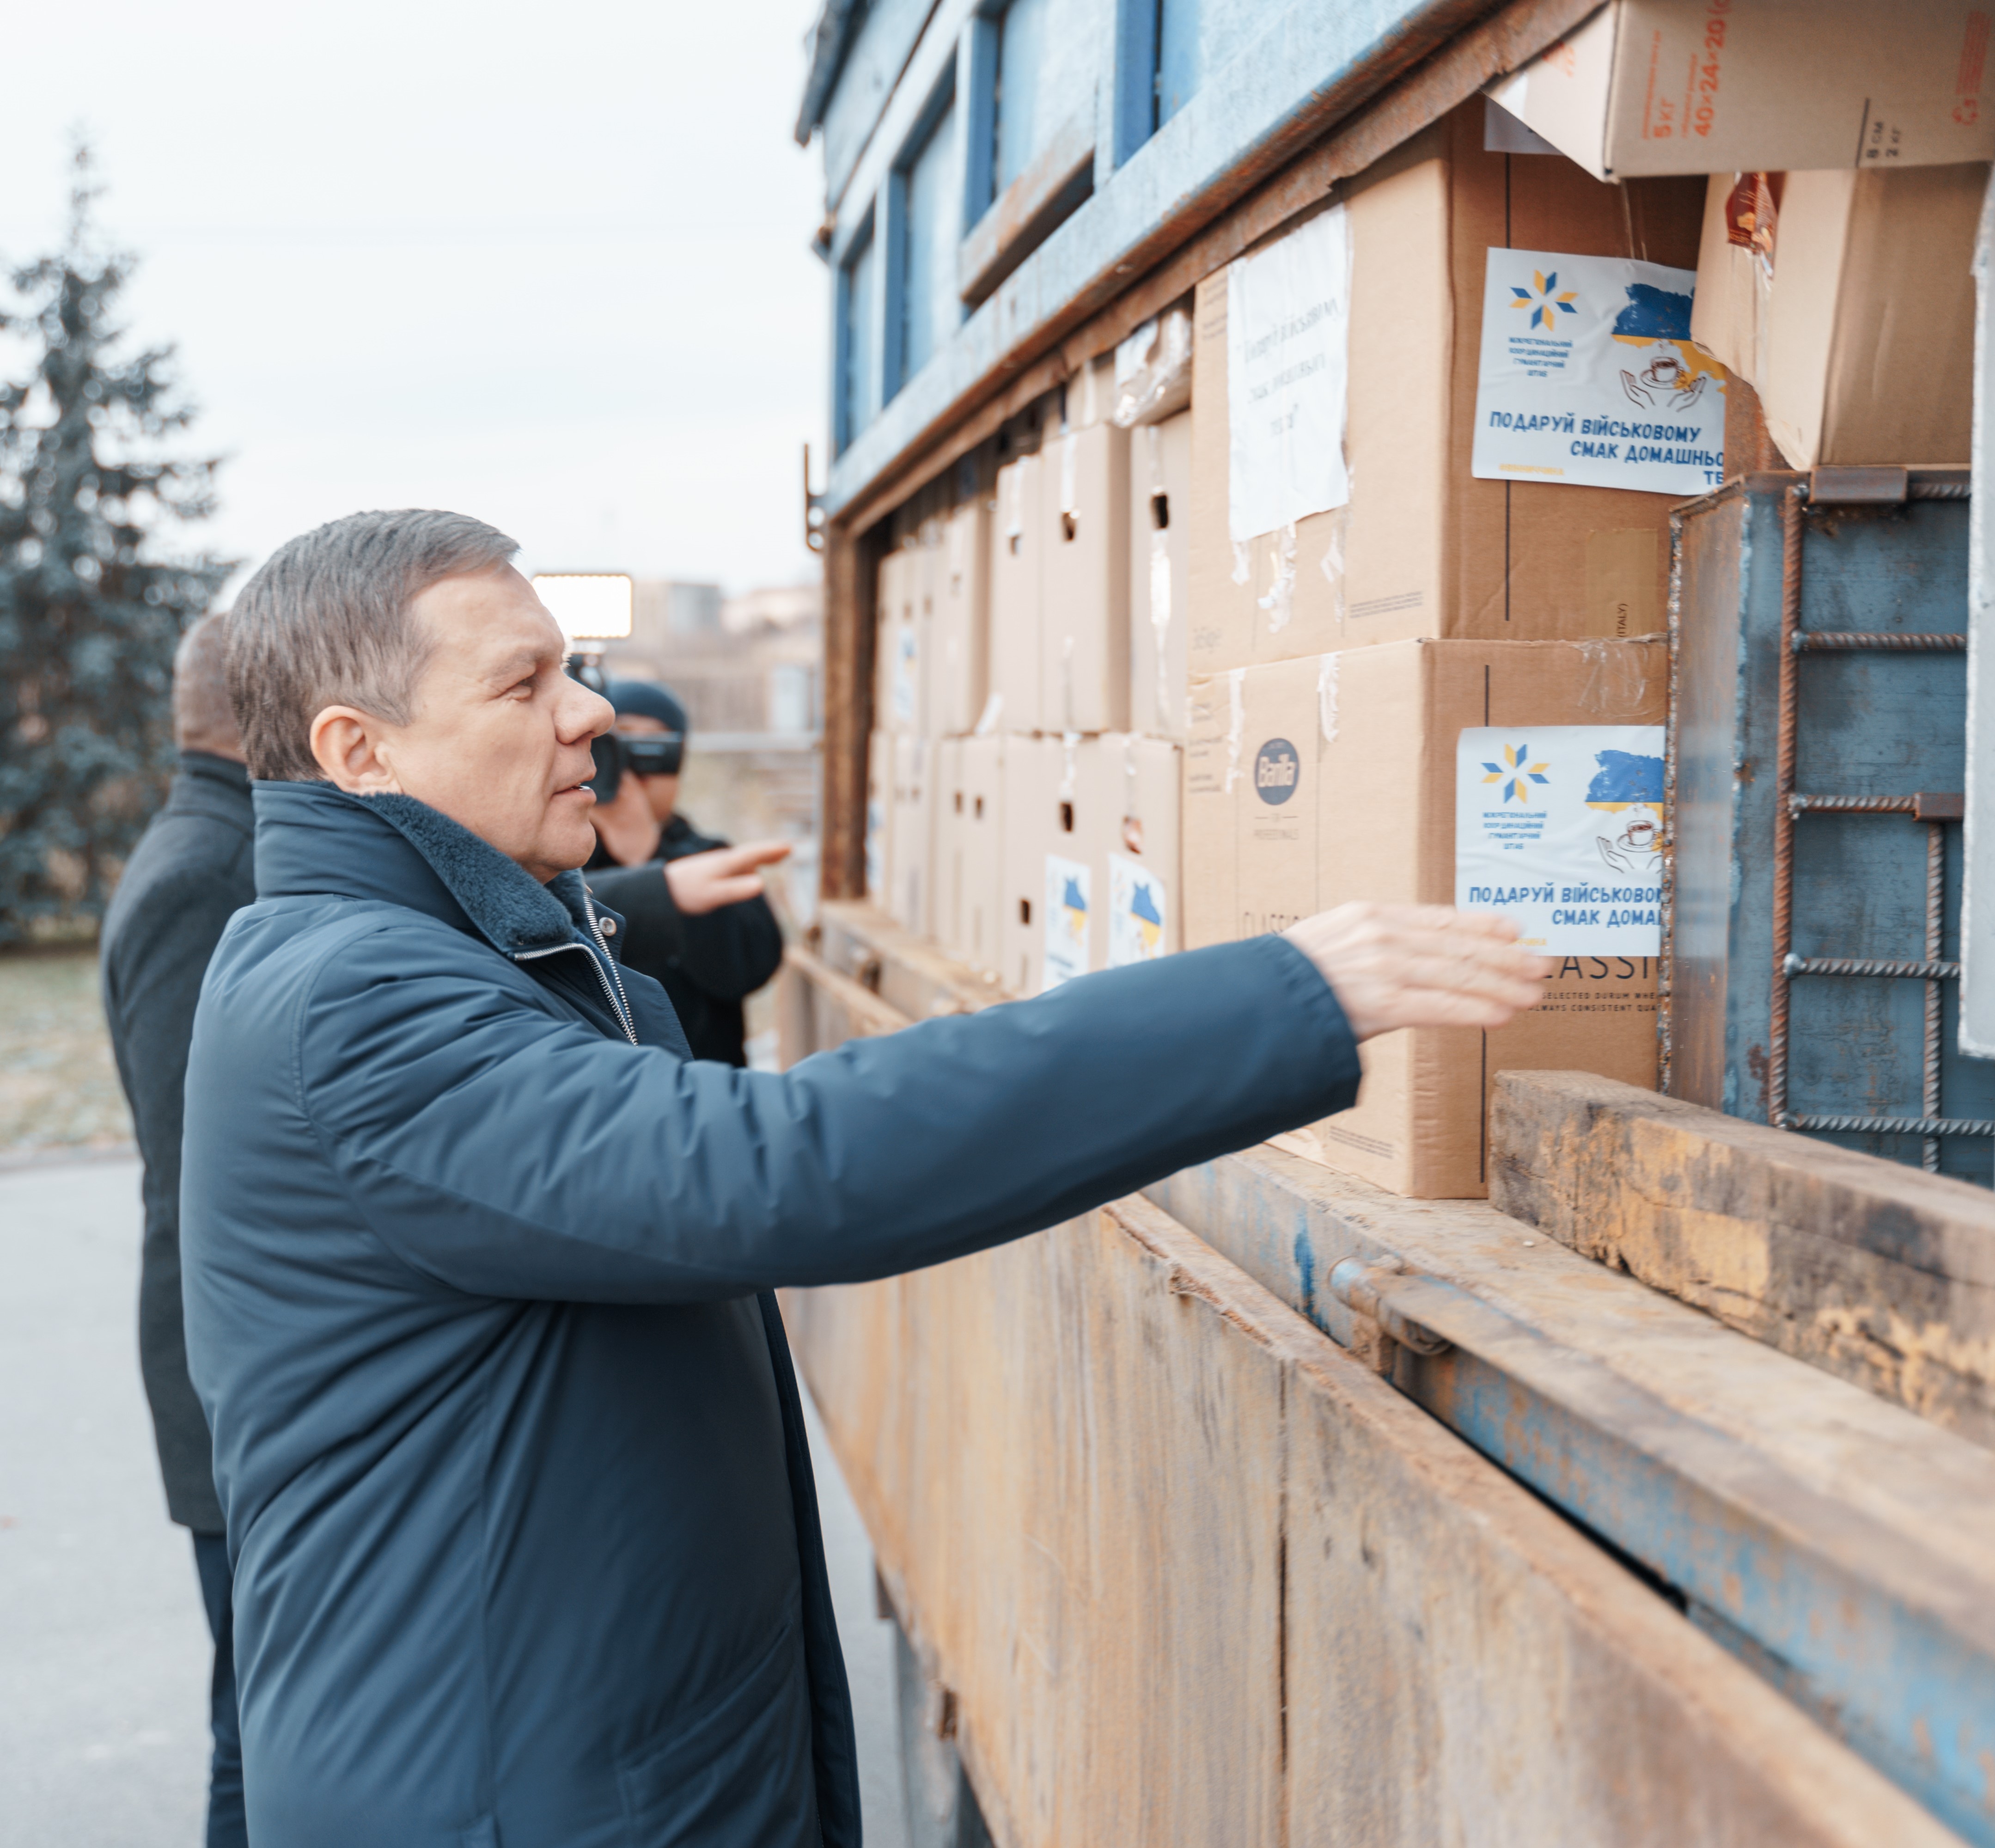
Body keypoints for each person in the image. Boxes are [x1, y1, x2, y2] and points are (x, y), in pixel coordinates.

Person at [183, 510, 1548, 1848]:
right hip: (505, 1791)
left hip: (569, 1754)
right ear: (358, 749)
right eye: (523, 682)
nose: (589, 712)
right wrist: (1275, 997)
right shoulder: (355, 1004)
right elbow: (779, 1169)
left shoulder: (443, 950)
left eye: (572, 668)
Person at [99, 611, 252, 1848]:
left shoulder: (222, 843)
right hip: (232, 1386)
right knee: (257, 1737)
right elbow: (205, 1162)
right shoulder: (206, 870)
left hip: (234, 1375)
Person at [584, 680, 786, 1065]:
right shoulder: (557, 864)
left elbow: (749, 969)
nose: (636, 771)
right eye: (620, 745)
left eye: (657, 750)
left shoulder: (710, 857)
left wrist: (647, 852)